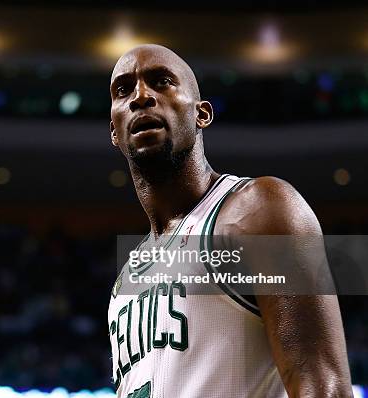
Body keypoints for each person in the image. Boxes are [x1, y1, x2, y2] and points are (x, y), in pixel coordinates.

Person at [107, 44, 352, 397]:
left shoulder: (258, 210)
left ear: (201, 113)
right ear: (114, 131)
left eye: (161, 82)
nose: (141, 96)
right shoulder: (125, 280)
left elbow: (325, 387)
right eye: (123, 89)